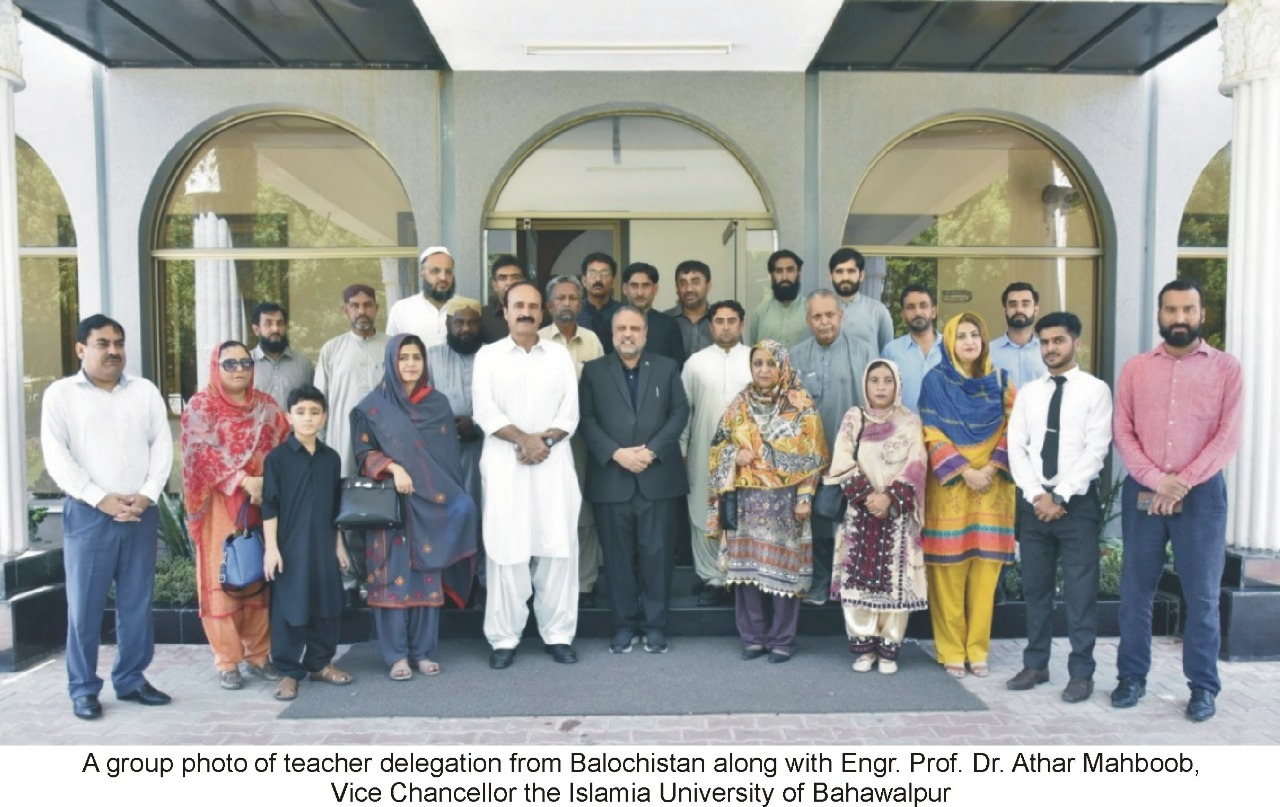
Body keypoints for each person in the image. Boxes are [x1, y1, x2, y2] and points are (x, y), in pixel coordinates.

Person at [1112, 279, 1242, 722]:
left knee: (1202, 595)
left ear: (1201, 314)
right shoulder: (1135, 368)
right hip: (1145, 490)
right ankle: (1131, 677)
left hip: (1201, 495)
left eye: (1188, 310)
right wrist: (1155, 480)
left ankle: (1203, 687)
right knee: (1136, 591)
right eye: (1171, 310)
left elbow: (1228, 437)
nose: (1179, 318)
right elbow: (1123, 431)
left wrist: (1181, 482)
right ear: (1159, 314)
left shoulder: (1227, 369)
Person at [41, 314, 174, 720]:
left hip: (139, 514)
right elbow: (56, 456)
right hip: (88, 516)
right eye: (102, 343)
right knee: (85, 608)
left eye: (118, 342)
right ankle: (83, 689)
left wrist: (147, 495)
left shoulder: (144, 391)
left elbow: (162, 446)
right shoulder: (61, 395)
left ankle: (131, 679)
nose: (113, 350)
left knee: (137, 603)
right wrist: (99, 498)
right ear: (81, 349)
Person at [351, 335, 479, 680]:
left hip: (431, 505)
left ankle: (423, 652)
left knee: (426, 574)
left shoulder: (437, 404)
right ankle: (396, 656)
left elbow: (448, 463)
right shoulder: (372, 406)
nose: (410, 364)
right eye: (403, 357)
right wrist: (393, 467)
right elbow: (362, 454)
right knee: (393, 579)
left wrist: (451, 500)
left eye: (416, 357)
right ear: (391, 362)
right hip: (391, 507)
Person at [473, 281, 583, 669]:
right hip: (506, 465)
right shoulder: (487, 357)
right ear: (504, 311)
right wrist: (524, 440)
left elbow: (570, 412)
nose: (526, 312)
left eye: (533, 306)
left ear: (544, 312)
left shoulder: (557, 356)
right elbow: (484, 412)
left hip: (552, 466)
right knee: (506, 550)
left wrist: (543, 442)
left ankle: (558, 634)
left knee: (557, 548)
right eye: (518, 305)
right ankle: (504, 639)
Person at [1006, 311, 1112, 703]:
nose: (1050, 348)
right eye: (1044, 342)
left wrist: (1062, 495)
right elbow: (1016, 446)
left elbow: (1096, 450)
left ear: (1076, 343)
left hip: (1077, 505)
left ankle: (1081, 674)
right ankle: (1036, 664)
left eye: (1058, 341)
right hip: (1035, 504)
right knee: (1036, 590)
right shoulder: (1030, 393)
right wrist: (1037, 495)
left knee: (1081, 593)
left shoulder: (1095, 390)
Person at [707, 340, 827, 663]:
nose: (763, 370)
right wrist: (734, 454)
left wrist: (805, 496)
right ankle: (753, 637)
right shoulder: (739, 404)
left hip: (786, 503)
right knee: (747, 572)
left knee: (784, 574)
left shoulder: (801, 404)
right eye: (757, 363)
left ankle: (782, 640)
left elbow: (813, 456)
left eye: (770, 364)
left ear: (782, 366)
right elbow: (717, 446)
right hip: (746, 501)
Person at [579, 307, 690, 654]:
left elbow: (679, 412)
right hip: (612, 478)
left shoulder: (667, 367)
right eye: (622, 328)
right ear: (612, 333)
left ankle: (656, 628)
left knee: (657, 556)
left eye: (635, 328)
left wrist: (651, 451)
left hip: (657, 478)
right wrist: (617, 453)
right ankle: (624, 626)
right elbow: (585, 418)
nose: (628, 334)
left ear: (645, 333)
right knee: (618, 559)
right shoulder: (594, 371)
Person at [181, 340, 290, 690]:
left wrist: (266, 483)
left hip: (262, 501)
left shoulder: (266, 406)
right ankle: (227, 659)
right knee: (224, 578)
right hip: (222, 505)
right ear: (216, 366)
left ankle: (259, 653)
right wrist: (243, 480)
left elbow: (284, 443)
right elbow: (201, 452)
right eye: (230, 364)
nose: (240, 369)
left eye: (245, 362)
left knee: (259, 576)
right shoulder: (202, 405)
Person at [917, 313, 1016, 679]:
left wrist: (990, 469)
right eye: (961, 336)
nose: (970, 341)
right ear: (948, 342)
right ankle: (950, 648)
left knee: (985, 574)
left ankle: (977, 649)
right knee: (948, 572)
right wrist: (965, 471)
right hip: (951, 486)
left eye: (975, 334)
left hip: (993, 487)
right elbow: (930, 431)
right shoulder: (935, 382)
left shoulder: (1003, 382)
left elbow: (1014, 427)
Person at [824, 360, 928, 675]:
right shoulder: (853, 418)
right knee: (856, 585)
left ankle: (889, 649)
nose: (881, 387)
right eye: (874, 380)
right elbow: (841, 459)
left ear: (897, 385)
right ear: (865, 384)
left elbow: (917, 463)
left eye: (887, 380)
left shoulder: (910, 422)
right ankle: (863, 648)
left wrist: (890, 498)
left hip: (898, 514)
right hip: (859, 511)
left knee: (897, 583)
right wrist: (869, 497)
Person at [261, 385, 352, 701]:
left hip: (323, 544)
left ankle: (320, 663)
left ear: (324, 417)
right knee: (290, 606)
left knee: (326, 604)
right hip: (290, 547)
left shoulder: (331, 458)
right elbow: (269, 505)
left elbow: (335, 506)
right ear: (289, 417)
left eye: (314, 412)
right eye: (300, 412)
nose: (308, 418)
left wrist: (338, 544)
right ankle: (288, 672)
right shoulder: (278, 459)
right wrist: (271, 549)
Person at [791, 290, 877, 605]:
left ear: (840, 317)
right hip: (811, 459)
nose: (824, 322)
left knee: (855, 520)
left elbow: (877, 403)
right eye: (817, 316)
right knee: (817, 521)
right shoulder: (796, 356)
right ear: (808, 321)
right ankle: (820, 583)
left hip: (857, 455)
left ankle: (854, 584)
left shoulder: (865, 352)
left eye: (830, 315)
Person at [538, 275, 606, 608]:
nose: (566, 303)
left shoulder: (592, 341)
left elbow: (604, 387)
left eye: (572, 298)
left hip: (583, 440)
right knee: (546, 509)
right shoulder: (535, 341)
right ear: (549, 305)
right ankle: (546, 585)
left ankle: (584, 583)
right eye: (560, 298)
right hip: (544, 440)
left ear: (580, 304)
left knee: (583, 509)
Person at [681, 300, 752, 607]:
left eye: (731, 320)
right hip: (703, 450)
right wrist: (682, 450)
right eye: (719, 321)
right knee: (702, 511)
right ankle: (711, 578)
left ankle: (739, 577)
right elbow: (683, 409)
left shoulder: (755, 359)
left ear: (741, 325)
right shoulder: (695, 362)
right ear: (711, 326)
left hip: (748, 455)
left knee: (744, 512)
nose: (725, 326)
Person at [426, 297, 486, 597]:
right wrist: (450, 426)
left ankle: (484, 584)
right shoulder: (430, 357)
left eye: (472, 322)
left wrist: (476, 425)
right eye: (459, 322)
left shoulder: (493, 355)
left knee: (487, 515)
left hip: (489, 450)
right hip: (444, 456)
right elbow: (421, 404)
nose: (466, 328)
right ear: (447, 325)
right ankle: (452, 588)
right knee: (449, 517)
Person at [314, 284, 390, 478]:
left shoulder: (392, 347)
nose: (361, 311)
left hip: (386, 438)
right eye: (355, 306)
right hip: (342, 439)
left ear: (376, 308)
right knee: (344, 498)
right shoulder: (331, 350)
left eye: (367, 305)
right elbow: (318, 403)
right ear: (345, 310)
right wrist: (319, 446)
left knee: (384, 497)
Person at [880, 284, 942, 413]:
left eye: (923, 306)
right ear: (903, 315)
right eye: (910, 307)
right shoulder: (892, 351)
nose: (918, 312)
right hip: (903, 430)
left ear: (934, 312)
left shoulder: (951, 348)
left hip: (944, 431)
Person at [386, 246, 456, 348]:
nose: (443, 277)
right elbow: (391, 352)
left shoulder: (464, 308)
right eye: (435, 271)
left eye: (448, 272)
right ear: (422, 273)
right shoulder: (401, 309)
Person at [250, 301, 315, 410]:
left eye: (280, 323)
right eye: (268, 323)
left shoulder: (303, 365)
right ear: (256, 330)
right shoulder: (245, 364)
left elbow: (314, 403)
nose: (275, 329)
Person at [828, 247, 893, 352]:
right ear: (830, 276)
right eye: (839, 271)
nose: (845, 277)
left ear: (861, 275)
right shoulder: (821, 312)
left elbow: (888, 354)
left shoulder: (877, 311)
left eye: (851, 271)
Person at [621, 261, 685, 368]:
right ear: (625, 289)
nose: (640, 292)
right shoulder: (613, 323)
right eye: (634, 286)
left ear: (655, 289)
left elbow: (677, 368)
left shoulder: (669, 325)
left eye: (645, 286)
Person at [746, 249, 808, 349]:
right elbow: (753, 353)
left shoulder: (811, 310)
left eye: (790, 270)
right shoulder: (759, 313)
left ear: (799, 273)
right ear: (771, 275)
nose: (784, 277)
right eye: (779, 271)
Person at [990, 282, 1047, 389]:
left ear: (1035, 310)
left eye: (1025, 304)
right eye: (1012, 305)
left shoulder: (1047, 350)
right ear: (1005, 311)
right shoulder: (989, 352)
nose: (1019, 310)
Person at [664, 259, 714, 359]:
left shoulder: (721, 320)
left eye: (695, 282)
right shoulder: (664, 320)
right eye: (683, 283)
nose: (689, 289)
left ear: (708, 286)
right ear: (677, 288)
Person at [578, 252, 623, 353]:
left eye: (604, 274)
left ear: (613, 282)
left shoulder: (624, 313)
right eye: (592, 273)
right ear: (584, 281)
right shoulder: (575, 312)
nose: (598, 279)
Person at [480, 254, 530, 344]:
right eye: (502, 278)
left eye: (515, 277)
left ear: (524, 282)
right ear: (494, 285)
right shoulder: (483, 317)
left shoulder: (538, 315)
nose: (509, 282)